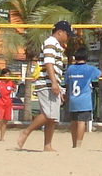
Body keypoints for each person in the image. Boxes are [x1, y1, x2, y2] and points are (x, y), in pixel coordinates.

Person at [16, 21, 70, 152]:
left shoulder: (56, 45)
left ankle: (47, 145)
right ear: (60, 32)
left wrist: (58, 86)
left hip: (51, 82)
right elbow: (48, 63)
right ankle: (26, 131)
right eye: (67, 34)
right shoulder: (51, 42)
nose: (68, 37)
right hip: (46, 83)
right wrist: (54, 82)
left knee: (53, 117)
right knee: (48, 114)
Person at [63, 48, 102, 148]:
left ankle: (73, 144)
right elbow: (101, 74)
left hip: (73, 100)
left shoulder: (70, 68)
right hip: (84, 101)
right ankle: (79, 145)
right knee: (81, 123)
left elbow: (67, 82)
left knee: (74, 123)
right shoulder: (89, 69)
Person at [0, 69, 17, 142]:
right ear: (3, 75)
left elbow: (15, 87)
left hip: (8, 103)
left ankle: (2, 137)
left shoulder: (11, 83)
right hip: (0, 103)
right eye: (6, 74)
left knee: (5, 121)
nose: (7, 76)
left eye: (8, 74)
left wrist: (12, 91)